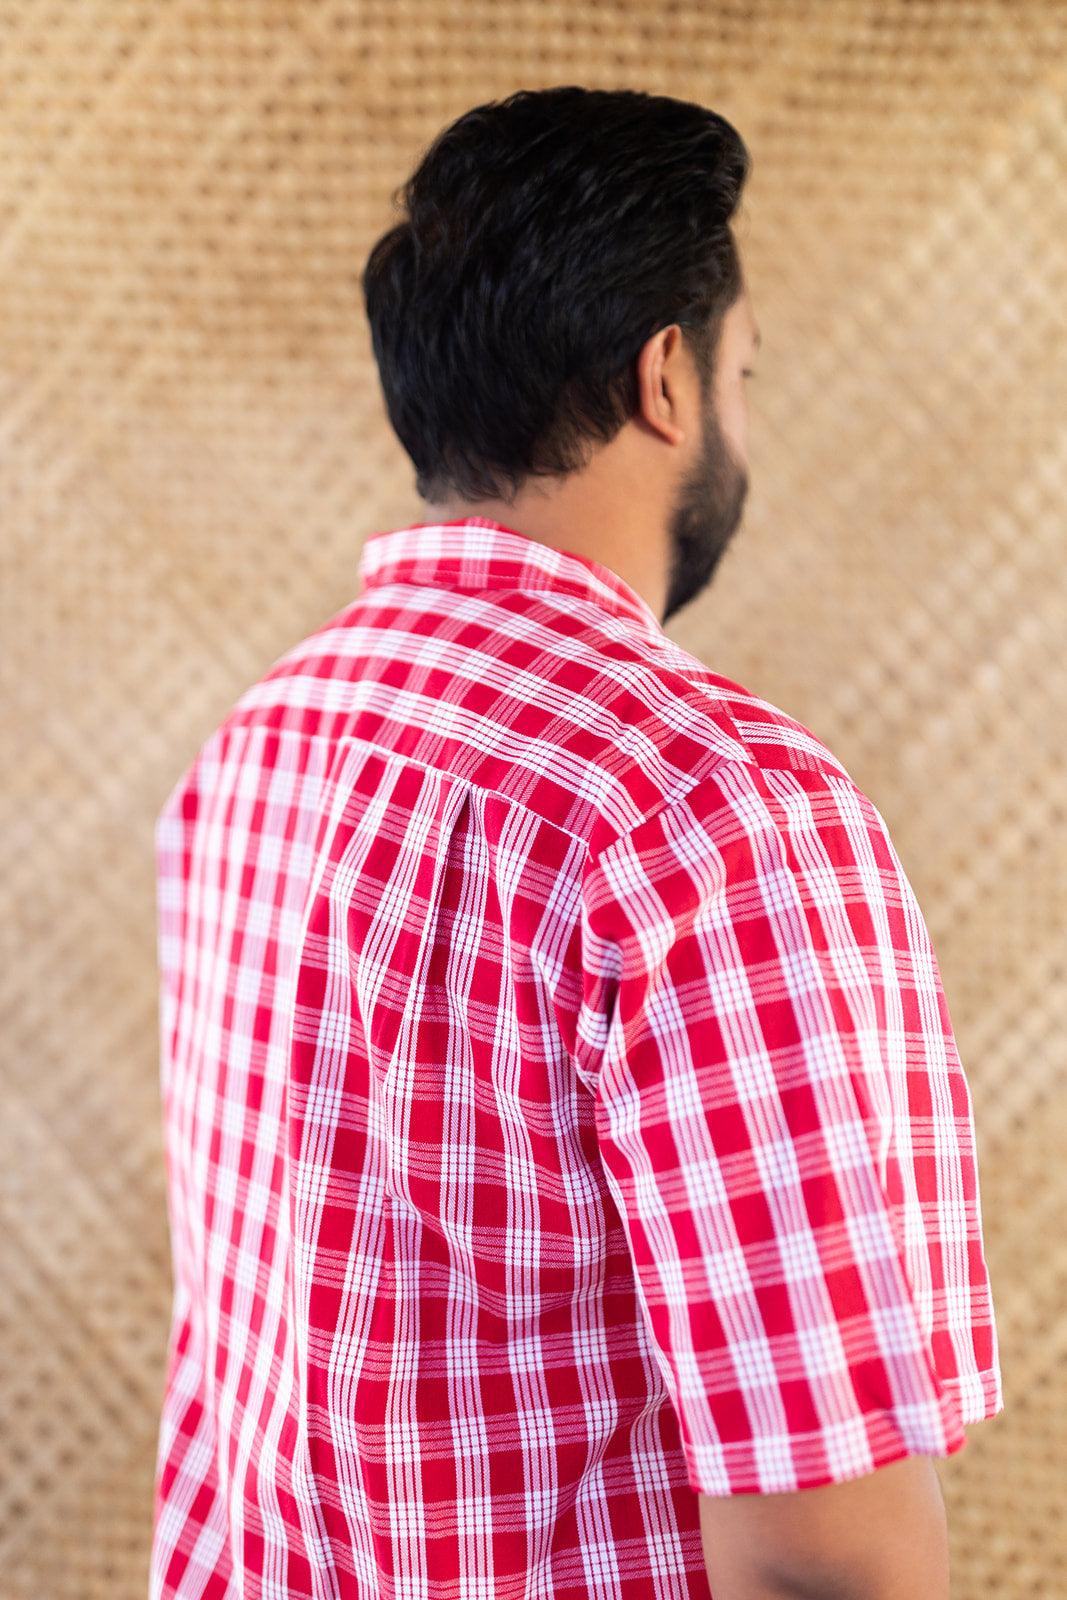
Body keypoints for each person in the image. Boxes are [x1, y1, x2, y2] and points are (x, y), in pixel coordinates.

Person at [151, 88, 1000, 1600]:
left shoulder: (261, 745)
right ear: (667, 376)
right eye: (743, 370)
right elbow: (827, 1557)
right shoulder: (714, 813)